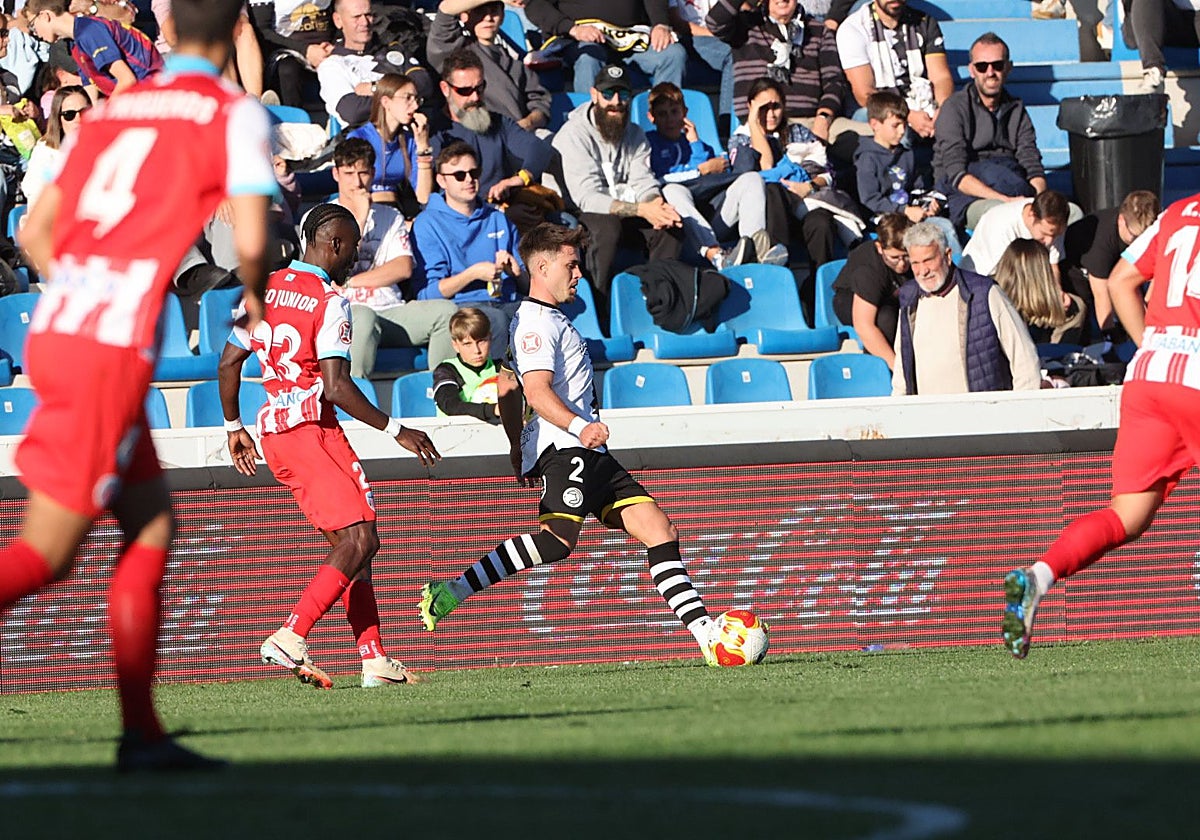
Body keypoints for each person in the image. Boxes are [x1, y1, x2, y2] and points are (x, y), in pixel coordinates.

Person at [0, 0, 274, 772]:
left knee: (151, 526)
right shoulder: (231, 112)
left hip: (62, 328)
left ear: (168, 28)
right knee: (46, 554)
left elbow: (34, 234)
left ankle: (142, 736)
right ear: (239, 31)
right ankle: (141, 737)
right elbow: (251, 239)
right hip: (105, 350)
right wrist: (255, 297)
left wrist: (91, 289)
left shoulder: (117, 111)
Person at [418, 223, 727, 666]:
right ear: (542, 267)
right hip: (570, 447)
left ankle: (707, 637)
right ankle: (450, 591)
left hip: (587, 451)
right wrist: (576, 428)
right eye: (570, 263)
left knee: (659, 529)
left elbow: (507, 388)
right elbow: (537, 391)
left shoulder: (545, 319)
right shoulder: (536, 324)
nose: (578, 272)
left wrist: (516, 446)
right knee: (557, 542)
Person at [220, 203, 440, 690]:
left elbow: (229, 362)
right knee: (362, 540)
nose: (356, 256)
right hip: (311, 431)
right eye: (354, 246)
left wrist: (234, 426)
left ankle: (375, 659)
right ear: (334, 244)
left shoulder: (262, 287)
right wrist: (395, 430)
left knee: (353, 550)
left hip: (278, 433)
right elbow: (337, 385)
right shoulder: (330, 300)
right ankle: (290, 635)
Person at [1002, 192, 1200, 658]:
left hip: (1151, 372)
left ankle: (1038, 576)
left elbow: (1122, 279)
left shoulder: (1178, 210)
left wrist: (1157, 344)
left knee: (1126, 516)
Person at [301, 137, 457, 375]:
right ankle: (350, 403)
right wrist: (360, 220)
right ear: (336, 174)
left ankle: (442, 394)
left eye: (363, 173)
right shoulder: (317, 218)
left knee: (447, 313)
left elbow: (403, 267)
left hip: (390, 309)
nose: (357, 181)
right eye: (349, 173)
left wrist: (350, 281)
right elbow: (326, 271)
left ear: (373, 173)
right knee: (363, 317)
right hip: (343, 310)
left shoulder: (391, 216)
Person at [551, 63, 685, 312]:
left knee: (670, 226)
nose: (616, 102)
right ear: (594, 95)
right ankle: (601, 309)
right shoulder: (573, 134)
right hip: (579, 212)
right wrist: (643, 210)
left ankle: (659, 304)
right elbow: (587, 198)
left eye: (623, 95)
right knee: (607, 228)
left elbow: (644, 181)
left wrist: (656, 205)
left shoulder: (635, 134)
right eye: (608, 94)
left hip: (627, 207)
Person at [728, 78, 861, 294]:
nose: (771, 114)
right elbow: (766, 165)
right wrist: (754, 124)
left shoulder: (798, 132)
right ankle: (777, 265)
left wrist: (809, 186)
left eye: (776, 106)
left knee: (821, 222)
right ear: (751, 106)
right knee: (772, 190)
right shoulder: (740, 139)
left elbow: (827, 175)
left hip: (804, 203)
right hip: (772, 214)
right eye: (764, 107)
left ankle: (818, 288)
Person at [892, 220, 1041, 396]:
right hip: (927, 417)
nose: (923, 270)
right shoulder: (909, 299)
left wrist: (1020, 411)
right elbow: (903, 367)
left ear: (947, 255)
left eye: (929, 260)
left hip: (983, 416)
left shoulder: (985, 293)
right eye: (916, 263)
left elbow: (1024, 359)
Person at [644, 80, 781, 268]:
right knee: (672, 190)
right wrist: (700, 170)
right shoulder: (648, 143)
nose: (669, 119)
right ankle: (716, 254)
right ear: (651, 118)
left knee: (752, 178)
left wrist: (695, 144)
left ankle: (755, 248)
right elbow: (657, 180)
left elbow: (710, 180)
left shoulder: (699, 146)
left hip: (713, 218)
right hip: (686, 229)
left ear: (684, 113)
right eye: (662, 114)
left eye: (674, 112)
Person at [932, 32, 1047, 231]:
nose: (990, 72)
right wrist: (1006, 200)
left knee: (1071, 214)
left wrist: (1037, 202)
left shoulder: (1017, 109)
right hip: (968, 196)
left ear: (1008, 68)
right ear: (972, 70)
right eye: (982, 66)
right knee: (1002, 214)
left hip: (1014, 187)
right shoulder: (954, 108)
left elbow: (1032, 166)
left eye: (998, 65)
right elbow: (956, 175)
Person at [412, 142, 525, 342]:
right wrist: (472, 274)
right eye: (459, 175)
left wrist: (517, 273)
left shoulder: (498, 218)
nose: (469, 180)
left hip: (508, 302)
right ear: (441, 181)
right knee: (496, 322)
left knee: (544, 316)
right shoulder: (427, 224)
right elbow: (427, 294)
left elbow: (527, 284)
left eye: (474, 172)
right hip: (462, 308)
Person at [707, 0, 863, 142]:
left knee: (876, 139)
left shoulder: (818, 31)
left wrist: (823, 117)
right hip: (765, 124)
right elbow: (714, 22)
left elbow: (834, 81)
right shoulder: (745, 26)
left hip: (813, 121)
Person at [430, 48, 553, 208]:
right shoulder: (435, 132)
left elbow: (539, 149)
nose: (475, 97)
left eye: (480, 88)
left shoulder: (498, 122)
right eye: (465, 91)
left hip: (504, 209)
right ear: (445, 89)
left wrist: (518, 179)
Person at [855, 90, 959, 254]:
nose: (902, 131)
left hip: (911, 214)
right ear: (875, 124)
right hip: (884, 220)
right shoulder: (867, 158)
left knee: (945, 228)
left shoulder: (907, 154)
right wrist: (904, 210)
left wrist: (928, 204)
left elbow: (916, 188)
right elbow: (870, 199)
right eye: (895, 126)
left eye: (904, 124)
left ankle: (959, 275)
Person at [834, 0, 952, 140]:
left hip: (922, 104)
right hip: (876, 110)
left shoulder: (924, 22)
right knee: (898, 128)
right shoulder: (853, 28)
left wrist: (943, 110)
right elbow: (865, 95)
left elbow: (941, 77)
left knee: (954, 121)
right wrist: (908, 115)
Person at [428, 0, 551, 132]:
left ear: (502, 16)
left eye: (494, 12)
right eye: (480, 12)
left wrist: (528, 122)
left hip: (518, 136)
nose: (488, 18)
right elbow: (446, 9)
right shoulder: (453, 53)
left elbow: (540, 104)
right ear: (464, 16)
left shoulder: (514, 62)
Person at [317, 0, 437, 128]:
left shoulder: (394, 51)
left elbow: (424, 84)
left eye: (368, 15)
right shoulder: (332, 65)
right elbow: (353, 111)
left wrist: (376, 88)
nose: (364, 22)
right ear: (338, 20)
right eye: (356, 17)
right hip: (364, 139)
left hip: (409, 135)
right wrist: (403, 98)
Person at [524, 0, 687, 95]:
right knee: (589, 57)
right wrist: (572, 29)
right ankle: (588, 125)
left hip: (632, 38)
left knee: (673, 54)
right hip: (581, 39)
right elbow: (535, 5)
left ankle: (665, 122)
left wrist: (660, 23)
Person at [1063, 190, 1160, 336]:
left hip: (1116, 270)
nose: (1140, 243)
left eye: (1145, 238)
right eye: (1135, 237)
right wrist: (1110, 334)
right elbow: (1101, 294)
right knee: (1082, 316)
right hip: (1077, 277)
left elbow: (1159, 273)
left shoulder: (1151, 234)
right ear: (1121, 221)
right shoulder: (1101, 241)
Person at [26, 0, 163, 98]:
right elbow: (91, 89)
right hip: (138, 96)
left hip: (152, 91)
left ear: (45, 15)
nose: (35, 33)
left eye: (32, 26)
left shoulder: (88, 31)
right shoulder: (74, 43)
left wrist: (101, 116)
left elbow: (127, 79)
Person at [831, 212, 912, 369]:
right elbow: (864, 325)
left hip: (891, 296)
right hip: (852, 298)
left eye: (906, 256)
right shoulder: (868, 269)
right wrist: (897, 369)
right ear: (879, 248)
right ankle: (877, 371)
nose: (902, 264)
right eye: (895, 258)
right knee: (886, 318)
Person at [345, 73, 433, 211]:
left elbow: (423, 196)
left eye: (416, 99)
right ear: (386, 102)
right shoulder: (359, 137)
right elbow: (352, 188)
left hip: (396, 211)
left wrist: (423, 146)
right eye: (407, 98)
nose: (415, 106)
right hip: (364, 209)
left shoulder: (409, 139)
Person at [431, 306, 519, 422]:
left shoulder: (502, 368)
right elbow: (450, 405)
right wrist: (493, 410)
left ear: (490, 338)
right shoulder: (447, 370)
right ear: (455, 345)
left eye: (481, 341)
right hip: (455, 434)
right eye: (467, 344)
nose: (476, 350)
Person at [992, 238, 1083, 346]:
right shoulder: (1001, 308)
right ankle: (1056, 354)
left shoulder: (995, 292)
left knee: (1076, 305)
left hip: (1030, 306)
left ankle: (1055, 348)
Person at [960, 190, 1070, 279]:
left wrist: (1057, 295)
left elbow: (1053, 266)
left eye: (1056, 235)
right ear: (1032, 215)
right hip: (985, 278)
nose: (1050, 241)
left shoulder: (1053, 222)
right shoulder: (1001, 225)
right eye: (1044, 234)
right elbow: (1003, 277)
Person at [249, 0, 334, 109]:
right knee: (288, 69)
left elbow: (345, 13)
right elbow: (263, 31)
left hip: (328, 47)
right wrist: (306, 50)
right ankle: (293, 120)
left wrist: (335, 45)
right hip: (285, 50)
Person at [20, 84, 87, 207]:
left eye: (85, 112)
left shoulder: (104, 147)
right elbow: (35, 193)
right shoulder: (45, 152)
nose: (79, 119)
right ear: (59, 120)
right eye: (69, 115)